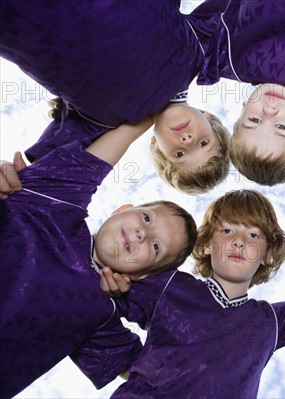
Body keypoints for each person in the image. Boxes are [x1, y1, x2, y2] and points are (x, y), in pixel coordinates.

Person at [1, 0, 285, 190]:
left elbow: (56, 166)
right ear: (214, 117)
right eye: (206, 143)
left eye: (181, 153)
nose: (189, 141)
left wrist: (22, 177)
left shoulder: (105, 121)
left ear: (157, 145)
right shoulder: (209, 51)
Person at [89, 189, 285, 397]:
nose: (239, 241)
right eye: (227, 231)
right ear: (206, 245)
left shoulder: (272, 321)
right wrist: (106, 292)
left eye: (253, 234)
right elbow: (89, 300)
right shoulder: (168, 285)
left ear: (267, 254)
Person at [0, 113, 198, 397]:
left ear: (142, 274)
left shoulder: (100, 313)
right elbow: (126, 131)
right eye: (145, 218)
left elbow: (153, 375)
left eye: (156, 247)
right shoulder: (52, 202)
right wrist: (162, 108)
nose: (144, 234)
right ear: (121, 209)